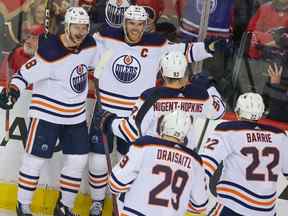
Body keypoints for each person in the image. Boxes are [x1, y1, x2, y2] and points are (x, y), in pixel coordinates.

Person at [88, 5, 220, 215]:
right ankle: (96, 202)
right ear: (124, 23)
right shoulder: (105, 37)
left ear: (146, 25)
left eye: (140, 24)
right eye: (131, 23)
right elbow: (83, 51)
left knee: (129, 162)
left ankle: (121, 207)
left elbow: (183, 52)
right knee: (97, 161)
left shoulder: (157, 44)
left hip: (135, 114)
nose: (136, 28)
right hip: (105, 108)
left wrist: (209, 48)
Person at [0, 7, 102, 216]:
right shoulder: (50, 52)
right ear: (67, 25)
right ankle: (24, 205)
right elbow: (22, 75)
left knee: (77, 161)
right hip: (46, 114)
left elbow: (96, 67)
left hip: (75, 117)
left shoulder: (90, 45)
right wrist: (12, 92)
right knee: (34, 161)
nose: (81, 32)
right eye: (77, 27)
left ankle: (64, 206)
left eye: (85, 28)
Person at [93, 51, 225, 150]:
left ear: (161, 72)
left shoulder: (151, 96)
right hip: (186, 160)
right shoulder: (199, 94)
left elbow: (131, 133)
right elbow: (219, 112)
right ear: (186, 72)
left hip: (154, 159)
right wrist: (209, 87)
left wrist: (109, 121)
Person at [200, 92, 288, 216]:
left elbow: (205, 166)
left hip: (233, 207)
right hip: (266, 211)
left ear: (237, 111)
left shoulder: (228, 130)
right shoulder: (279, 136)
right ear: (262, 113)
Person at [108, 110, 208, 216]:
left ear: (163, 126)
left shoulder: (144, 145)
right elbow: (200, 206)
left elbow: (115, 184)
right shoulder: (196, 161)